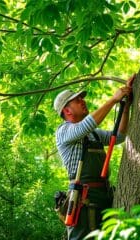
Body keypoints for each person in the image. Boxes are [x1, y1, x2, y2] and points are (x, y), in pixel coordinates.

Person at [54, 77, 134, 240]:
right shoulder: (63, 131)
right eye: (77, 100)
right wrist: (113, 100)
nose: (82, 101)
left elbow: (119, 137)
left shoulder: (94, 134)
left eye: (81, 98)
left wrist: (125, 108)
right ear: (67, 111)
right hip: (83, 199)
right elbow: (86, 125)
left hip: (105, 194)